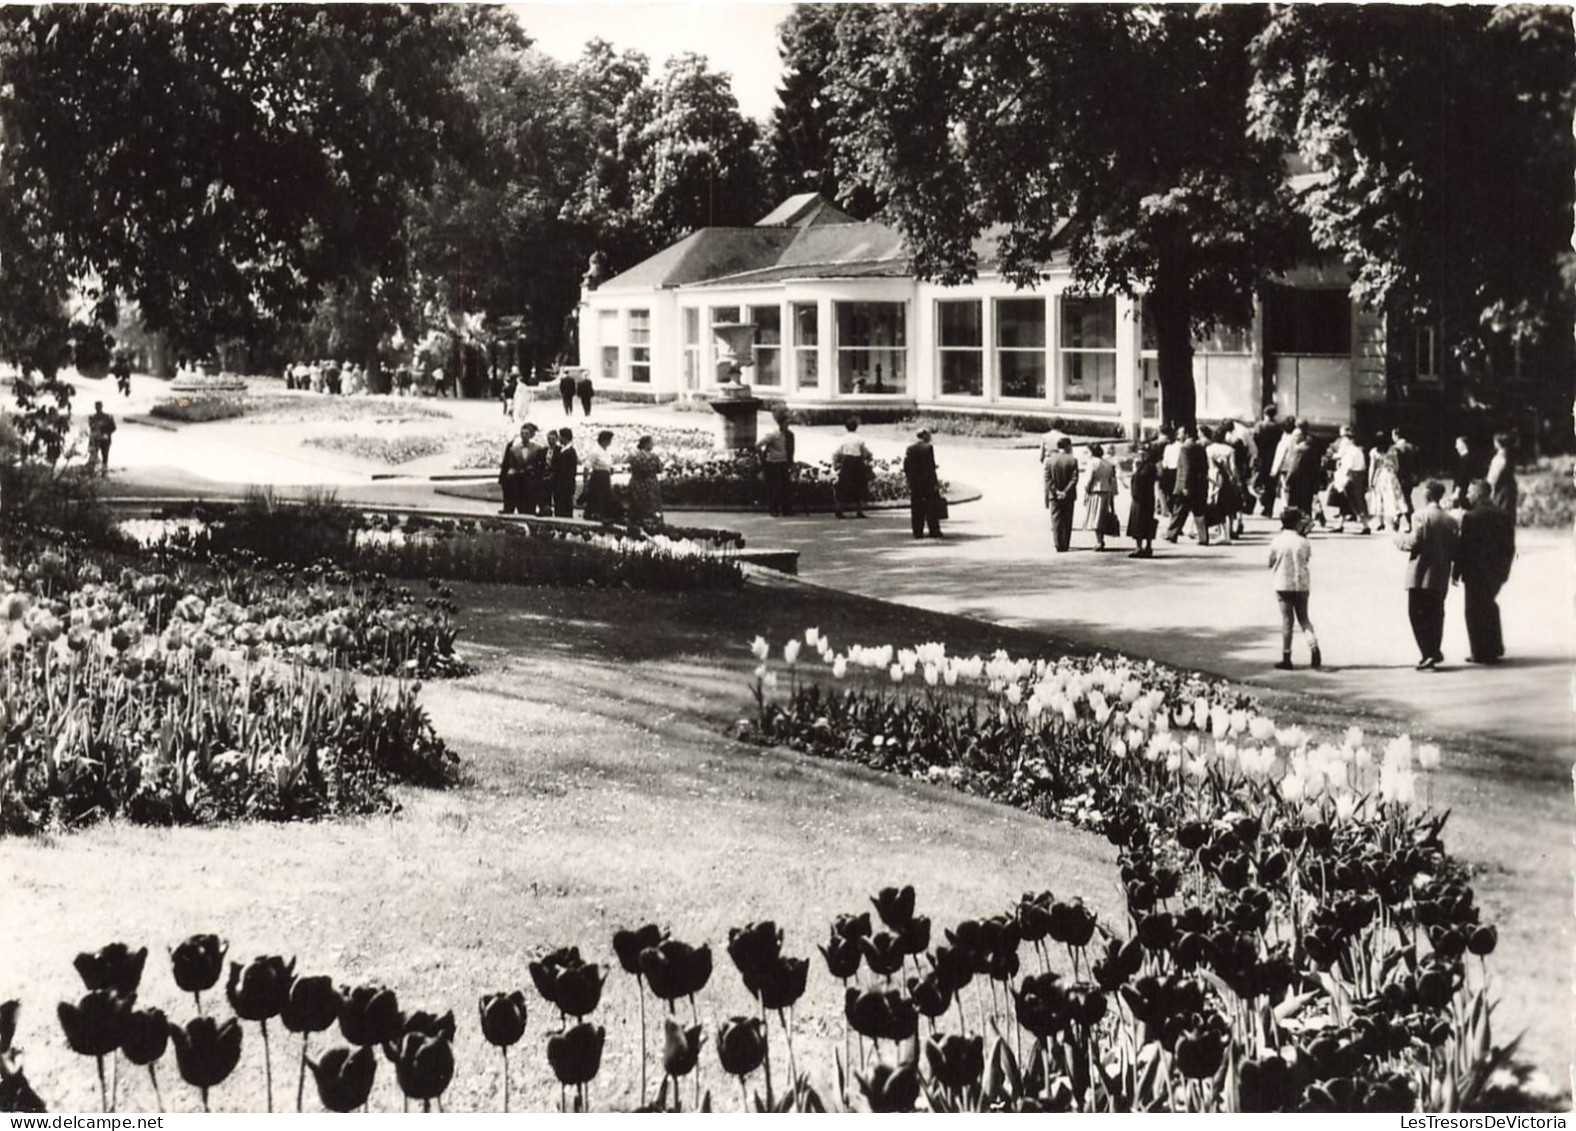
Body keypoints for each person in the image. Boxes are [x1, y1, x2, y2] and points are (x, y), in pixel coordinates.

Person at [1397, 479, 1460, 671]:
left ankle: (1428, 653)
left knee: (1416, 614)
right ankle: (1434, 650)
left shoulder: (1420, 516)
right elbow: (1455, 549)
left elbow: (1414, 542)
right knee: (1436, 614)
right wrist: (1455, 573)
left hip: (1419, 574)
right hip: (1440, 575)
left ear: (1427, 494)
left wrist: (1399, 539)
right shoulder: (1450, 520)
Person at [1454, 479, 1515, 664]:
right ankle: (1495, 647)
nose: (1467, 496)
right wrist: (1504, 571)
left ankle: (1479, 652)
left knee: (1473, 611)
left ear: (1479, 494)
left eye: (1470, 492)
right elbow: (1509, 547)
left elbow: (1464, 547)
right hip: (1496, 572)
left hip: (1475, 572)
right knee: (1489, 605)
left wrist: (1456, 571)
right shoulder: (1503, 515)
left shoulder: (1471, 517)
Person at [1268, 506, 1322, 671]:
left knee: (1287, 621)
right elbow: (1306, 559)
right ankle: (1313, 646)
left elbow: (1270, 561)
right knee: (1304, 618)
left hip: (1283, 584)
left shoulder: (1277, 541)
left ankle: (1286, 656)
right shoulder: (1304, 542)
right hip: (1302, 584)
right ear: (1298, 523)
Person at [1164, 425, 1208, 545]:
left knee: (1179, 510)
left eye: (1180, 433)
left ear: (1187, 434)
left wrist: (1185, 486)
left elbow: (1186, 469)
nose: (1179, 436)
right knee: (1199, 512)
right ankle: (1203, 537)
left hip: (1187, 485)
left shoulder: (1185, 448)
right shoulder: (1200, 447)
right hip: (1199, 485)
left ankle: (1171, 534)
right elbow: (1205, 467)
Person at [1204, 425, 1243, 542]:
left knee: (1216, 503)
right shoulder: (1230, 450)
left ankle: (1221, 530)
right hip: (1227, 478)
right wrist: (1237, 479)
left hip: (1213, 476)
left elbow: (1209, 465)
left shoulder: (1209, 449)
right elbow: (1233, 467)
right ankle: (1230, 529)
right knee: (1229, 504)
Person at [902, 428, 944, 539]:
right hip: (927, 481)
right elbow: (930, 467)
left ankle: (917, 531)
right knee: (931, 506)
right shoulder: (928, 448)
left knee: (916, 506)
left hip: (915, 481)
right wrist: (935, 482)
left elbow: (906, 465)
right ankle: (934, 529)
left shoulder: (910, 448)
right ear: (925, 436)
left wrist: (909, 479)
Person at [1332, 425, 1371, 534]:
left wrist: (1341, 480)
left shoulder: (1350, 452)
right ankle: (1341, 524)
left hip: (1351, 478)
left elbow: (1347, 467)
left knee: (1355, 502)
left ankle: (1365, 526)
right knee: (1346, 502)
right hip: (1357, 476)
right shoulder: (1357, 451)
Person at [757, 410, 796, 516]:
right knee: (775, 487)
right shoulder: (773, 434)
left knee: (786, 486)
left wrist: (791, 463)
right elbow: (758, 445)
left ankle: (786, 508)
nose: (787, 425)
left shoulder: (789, 435)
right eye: (786, 423)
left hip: (783, 462)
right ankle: (773, 509)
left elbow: (791, 449)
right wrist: (763, 459)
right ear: (781, 423)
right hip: (773, 463)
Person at [1044, 436, 1080, 552]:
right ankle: (1065, 543)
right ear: (1068, 446)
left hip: (1054, 496)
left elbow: (1047, 479)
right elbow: (1074, 479)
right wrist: (1065, 491)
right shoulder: (1073, 460)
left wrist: (1055, 491)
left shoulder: (1050, 460)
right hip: (1068, 495)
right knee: (1067, 519)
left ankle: (1058, 543)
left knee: (1056, 519)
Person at [832, 417, 872, 519]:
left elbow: (839, 451)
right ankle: (859, 510)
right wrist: (869, 455)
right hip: (857, 462)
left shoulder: (843, 438)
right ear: (856, 427)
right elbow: (864, 451)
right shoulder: (859, 438)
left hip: (847, 461)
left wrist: (836, 462)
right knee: (859, 485)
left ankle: (839, 509)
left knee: (843, 485)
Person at [1125, 441, 1159, 559]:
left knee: (1140, 522)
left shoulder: (1147, 467)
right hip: (1146, 497)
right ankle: (1145, 546)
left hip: (1141, 498)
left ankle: (1141, 547)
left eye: (1143, 453)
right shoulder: (1148, 466)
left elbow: (1139, 481)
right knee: (1145, 521)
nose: (1141, 455)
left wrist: (1135, 470)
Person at [1368, 431, 1406, 532]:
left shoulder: (1374, 452)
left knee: (1379, 498)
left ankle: (1381, 523)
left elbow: (1372, 467)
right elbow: (1397, 465)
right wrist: (1394, 472)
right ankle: (1395, 517)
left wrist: (1370, 480)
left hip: (1379, 476)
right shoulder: (1392, 450)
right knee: (1393, 497)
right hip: (1390, 475)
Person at [1084, 442, 1119, 551]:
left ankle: (1099, 541)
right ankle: (1101, 539)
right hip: (1106, 490)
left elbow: (1089, 479)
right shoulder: (1107, 463)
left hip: (1096, 490)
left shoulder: (1092, 463)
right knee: (1103, 516)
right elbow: (1112, 479)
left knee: (1096, 517)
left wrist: (1086, 490)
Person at [625, 434, 664, 532]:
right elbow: (660, 469)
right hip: (651, 484)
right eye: (651, 443)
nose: (653, 445)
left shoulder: (633, 455)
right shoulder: (654, 457)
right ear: (646, 444)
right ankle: (652, 526)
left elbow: (628, 465)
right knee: (651, 506)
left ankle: (634, 527)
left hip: (636, 483)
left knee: (636, 505)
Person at [498, 423, 538, 515]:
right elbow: (507, 463)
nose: (525, 435)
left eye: (527, 433)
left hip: (528, 481)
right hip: (515, 479)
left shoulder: (536, 447)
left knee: (527, 506)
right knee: (514, 502)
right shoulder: (513, 446)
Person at [1282, 427, 1320, 520]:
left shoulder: (1298, 450)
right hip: (1309, 481)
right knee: (1306, 504)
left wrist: (1288, 480)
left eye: (1295, 436)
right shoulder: (1312, 449)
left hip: (1297, 482)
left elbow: (1294, 468)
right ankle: (1307, 523)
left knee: (1294, 504)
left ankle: (1293, 524)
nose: (1294, 438)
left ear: (1301, 437)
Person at [1252, 406, 1281, 516]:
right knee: (1271, 484)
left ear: (1264, 413)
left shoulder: (1259, 426)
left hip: (1261, 457)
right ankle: (1269, 508)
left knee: (1257, 482)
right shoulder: (1278, 427)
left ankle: (1263, 500)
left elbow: (1255, 440)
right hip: (1273, 458)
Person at [582, 429, 616, 522]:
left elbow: (606, 464)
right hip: (598, 478)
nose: (610, 442)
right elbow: (587, 467)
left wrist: (609, 469)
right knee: (597, 498)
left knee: (605, 498)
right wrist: (585, 483)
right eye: (609, 440)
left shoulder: (606, 451)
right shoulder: (595, 451)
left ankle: (602, 516)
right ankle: (593, 516)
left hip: (605, 477)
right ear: (604, 440)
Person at [1391, 427, 1419, 532]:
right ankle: (1399, 521)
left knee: (1403, 501)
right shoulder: (1412, 447)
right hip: (1410, 479)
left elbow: (1396, 466)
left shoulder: (1396, 448)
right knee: (1405, 499)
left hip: (1400, 479)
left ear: (1396, 435)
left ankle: (1400, 522)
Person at [1486, 432, 1518, 517]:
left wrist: (1490, 489)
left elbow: (1493, 477)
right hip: (1509, 487)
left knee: (1500, 511)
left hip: (1501, 489)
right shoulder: (1509, 456)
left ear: (1497, 443)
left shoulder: (1499, 459)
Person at [551, 427, 579, 518]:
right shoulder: (562, 450)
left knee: (565, 508)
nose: (559, 439)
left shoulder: (570, 452)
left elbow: (570, 472)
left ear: (565, 437)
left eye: (560, 437)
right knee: (559, 507)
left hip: (565, 485)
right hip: (560, 485)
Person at [1451, 435, 1481, 510]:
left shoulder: (1466, 459)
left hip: (1463, 490)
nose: (1456, 446)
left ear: (1463, 445)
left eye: (1458, 444)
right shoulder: (1466, 458)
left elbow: (1462, 477)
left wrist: (1457, 492)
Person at [87, 402, 116, 477]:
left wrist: (105, 431)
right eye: (97, 407)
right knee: (97, 456)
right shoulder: (93, 417)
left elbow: (113, 428)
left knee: (104, 456)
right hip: (97, 439)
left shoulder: (106, 417)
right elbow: (91, 428)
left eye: (98, 406)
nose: (98, 408)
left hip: (103, 440)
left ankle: (101, 472)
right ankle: (96, 472)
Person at [1157, 426, 1181, 517]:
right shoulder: (1175, 446)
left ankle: (1167, 510)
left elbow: (1165, 462)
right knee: (1171, 493)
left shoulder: (1166, 445)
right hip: (1173, 470)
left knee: (1167, 492)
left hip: (1170, 471)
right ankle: (1171, 510)